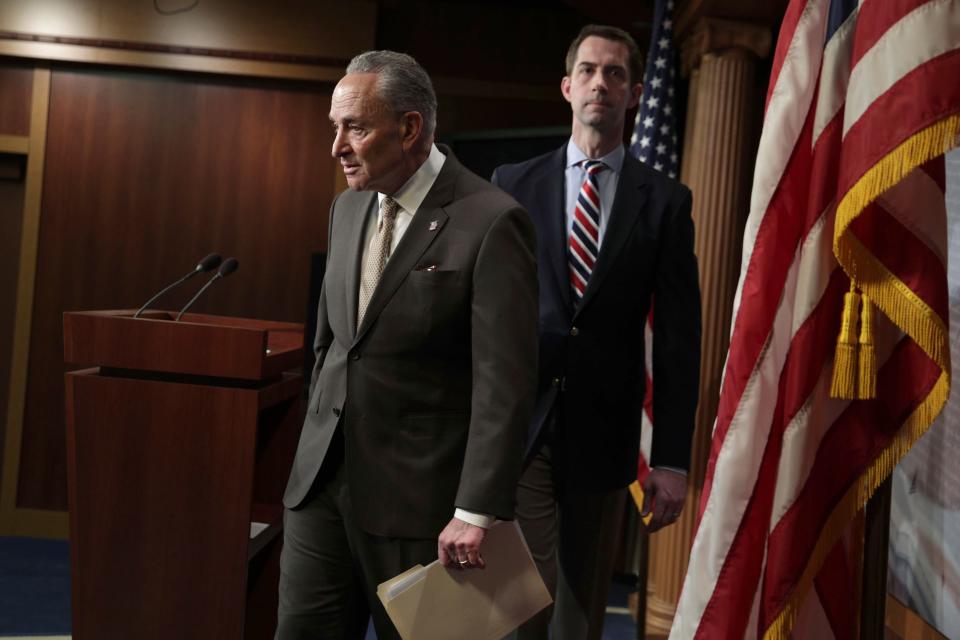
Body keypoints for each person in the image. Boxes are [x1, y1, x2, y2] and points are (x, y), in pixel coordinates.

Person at [277, 50, 538, 639]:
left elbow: (506, 382)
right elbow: (331, 346)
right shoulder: (345, 209)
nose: (338, 146)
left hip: (426, 510)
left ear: (410, 127)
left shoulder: (493, 221)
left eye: (356, 127)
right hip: (322, 490)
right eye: (334, 128)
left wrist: (476, 510)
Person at [492, 24, 701, 639]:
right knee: (522, 601)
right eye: (587, 70)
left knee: (580, 611)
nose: (599, 84)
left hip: (606, 432)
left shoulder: (666, 201)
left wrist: (670, 460)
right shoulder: (511, 184)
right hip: (523, 422)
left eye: (614, 74)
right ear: (566, 86)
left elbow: (679, 340)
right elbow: (488, 314)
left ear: (635, 93)